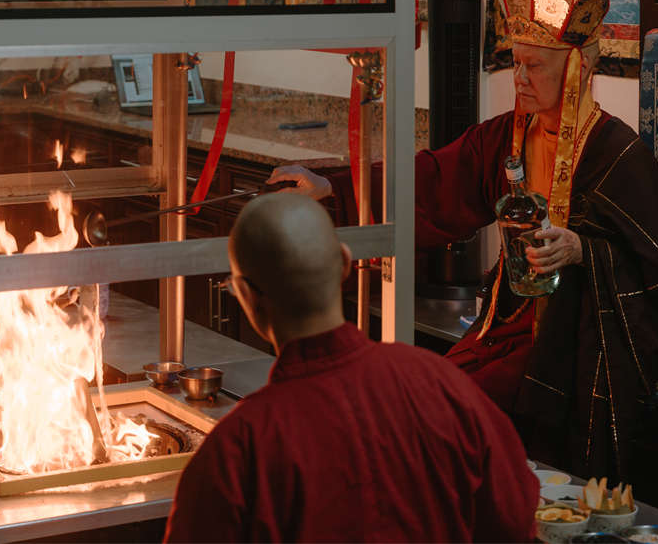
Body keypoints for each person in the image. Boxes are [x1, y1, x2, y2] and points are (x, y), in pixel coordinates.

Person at [270, 0, 658, 478]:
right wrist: (334, 188)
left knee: (453, 412)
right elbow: (434, 180)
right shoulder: (509, 137)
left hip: (573, 340)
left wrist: (582, 250)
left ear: (576, 70)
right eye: (516, 63)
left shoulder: (618, 155)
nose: (519, 79)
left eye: (535, 66)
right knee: (426, 395)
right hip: (507, 324)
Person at [163, 193, 539, 543]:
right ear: (345, 263)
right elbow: (515, 518)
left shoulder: (236, 451)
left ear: (245, 295)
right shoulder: (442, 383)